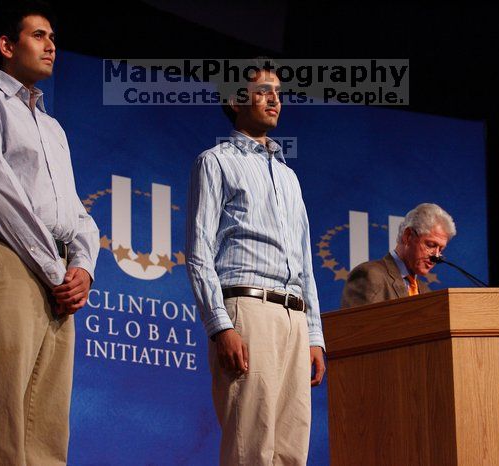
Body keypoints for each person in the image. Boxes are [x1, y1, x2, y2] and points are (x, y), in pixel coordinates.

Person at [0, 2, 99, 464]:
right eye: (38, 36)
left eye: (52, 37)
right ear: (7, 45)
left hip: (54, 274)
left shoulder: (53, 128)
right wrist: (57, 270)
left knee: (48, 428)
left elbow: (77, 215)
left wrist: (83, 268)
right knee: (3, 419)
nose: (51, 45)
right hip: (6, 260)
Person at [186, 58, 326, 466]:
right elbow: (198, 253)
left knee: (291, 451)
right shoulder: (215, 161)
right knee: (251, 449)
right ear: (235, 98)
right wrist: (220, 327)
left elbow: (305, 265)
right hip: (247, 309)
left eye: (278, 93)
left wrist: (314, 336)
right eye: (263, 91)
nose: (274, 100)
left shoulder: (288, 176)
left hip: (294, 317)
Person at [341, 203, 455, 307]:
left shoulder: (426, 291)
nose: (436, 256)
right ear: (408, 236)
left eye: (441, 249)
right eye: (430, 245)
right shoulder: (371, 276)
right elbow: (355, 328)